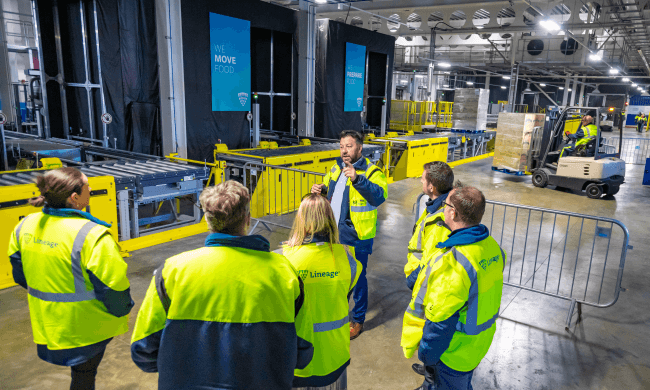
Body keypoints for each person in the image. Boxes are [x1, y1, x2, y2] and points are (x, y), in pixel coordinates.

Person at [131, 180, 313, 390]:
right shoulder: (284, 273)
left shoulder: (172, 271)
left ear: (207, 221)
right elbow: (302, 352)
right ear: (247, 219)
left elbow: (143, 350)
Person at [7, 167, 134, 390]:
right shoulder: (92, 236)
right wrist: (124, 309)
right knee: (84, 375)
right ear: (75, 198)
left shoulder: (23, 226)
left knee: (81, 375)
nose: (91, 189)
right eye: (88, 186)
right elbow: (115, 292)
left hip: (48, 323)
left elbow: (20, 274)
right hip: (86, 329)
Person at [402, 185, 506, 390]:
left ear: (453, 212)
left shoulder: (455, 262)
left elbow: (440, 322)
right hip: (478, 342)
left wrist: (426, 355)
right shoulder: (493, 247)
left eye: (445, 204)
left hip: (454, 351)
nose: (442, 208)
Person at [311, 130, 387, 340]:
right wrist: (321, 189)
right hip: (333, 232)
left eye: (349, 146)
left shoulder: (372, 172)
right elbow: (331, 190)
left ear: (360, 148)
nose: (344, 151)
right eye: (342, 146)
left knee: (358, 278)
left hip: (357, 236)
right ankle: (337, 309)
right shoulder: (336, 167)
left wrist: (357, 179)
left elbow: (379, 196)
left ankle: (358, 319)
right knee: (337, 274)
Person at [281, 193, 363, 390]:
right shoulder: (349, 259)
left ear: (302, 220)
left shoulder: (286, 260)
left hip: (300, 360)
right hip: (336, 355)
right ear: (330, 219)